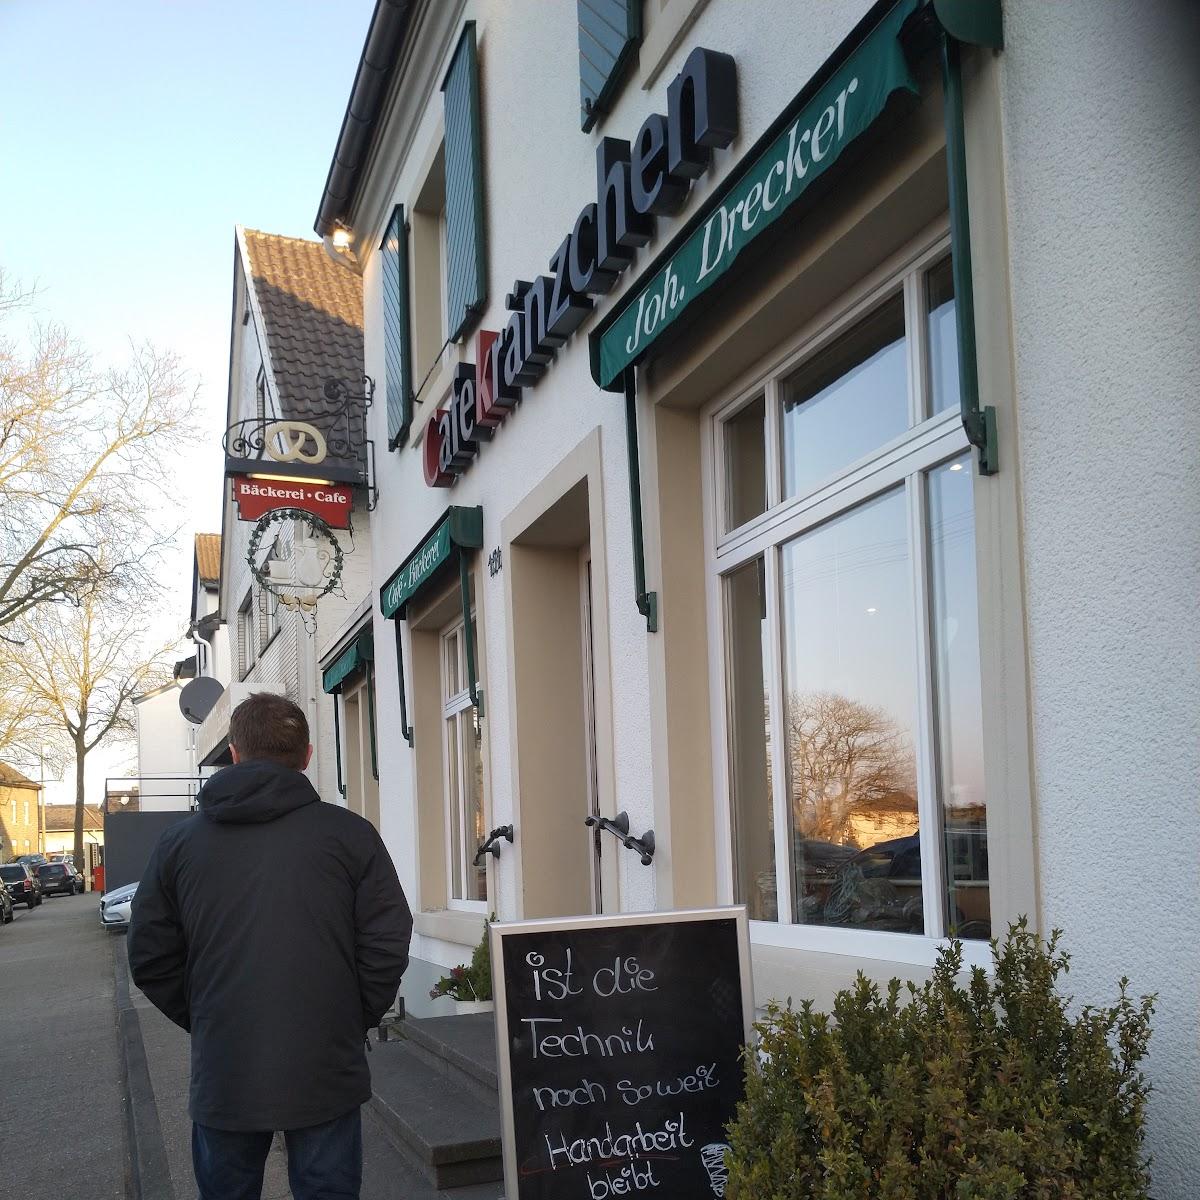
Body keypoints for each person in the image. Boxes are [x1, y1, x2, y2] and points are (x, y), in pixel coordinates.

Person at [128, 692, 412, 1200]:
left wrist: (208, 1015)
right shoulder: (350, 835)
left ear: (234, 753)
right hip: (325, 1065)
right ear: (306, 755)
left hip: (225, 1070)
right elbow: (387, 939)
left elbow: (150, 956)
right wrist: (353, 1015)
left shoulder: (178, 844)